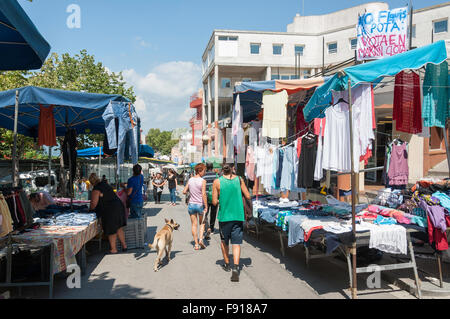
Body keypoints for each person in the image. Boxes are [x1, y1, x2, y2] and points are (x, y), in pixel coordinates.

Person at [212, 163, 251, 282]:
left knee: (224, 242)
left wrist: (221, 198)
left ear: (222, 170)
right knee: (236, 243)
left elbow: (214, 202)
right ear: (233, 169)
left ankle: (227, 264)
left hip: (224, 217)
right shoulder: (239, 179)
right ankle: (235, 268)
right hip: (238, 216)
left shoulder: (217, 182)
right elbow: (248, 196)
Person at [89, 173, 127, 254]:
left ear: (91, 182)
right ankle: (124, 246)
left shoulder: (96, 189)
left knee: (111, 230)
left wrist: (89, 209)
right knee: (119, 227)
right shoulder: (104, 184)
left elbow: (93, 204)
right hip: (118, 206)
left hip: (110, 210)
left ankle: (114, 249)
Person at [183, 163, 208, 250]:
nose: (204, 172)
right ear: (200, 171)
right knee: (202, 223)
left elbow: (184, 191)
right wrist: (206, 206)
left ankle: (196, 244)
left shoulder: (190, 180)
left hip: (191, 204)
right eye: (204, 171)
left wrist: (191, 193)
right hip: (200, 205)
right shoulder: (203, 181)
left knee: (194, 224)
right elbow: (204, 194)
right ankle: (201, 239)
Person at [203, 162, 219, 240]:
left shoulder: (204, 176)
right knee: (213, 213)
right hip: (214, 197)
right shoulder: (216, 175)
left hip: (205, 197)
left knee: (205, 213)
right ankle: (212, 229)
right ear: (212, 167)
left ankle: (206, 227)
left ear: (206, 167)